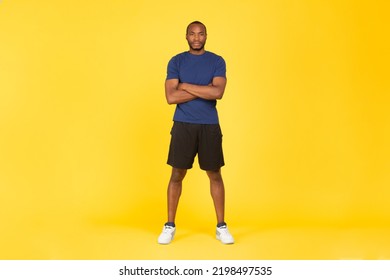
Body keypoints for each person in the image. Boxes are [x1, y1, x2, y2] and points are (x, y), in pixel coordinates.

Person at [158, 21, 234, 245]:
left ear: (206, 36)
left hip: (209, 125)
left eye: (201, 34)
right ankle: (170, 225)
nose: (197, 37)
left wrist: (184, 85)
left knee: (215, 175)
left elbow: (218, 92)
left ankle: (221, 226)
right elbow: (171, 97)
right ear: (186, 36)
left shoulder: (217, 61)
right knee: (176, 175)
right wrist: (204, 90)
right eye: (192, 34)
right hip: (183, 125)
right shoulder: (176, 61)